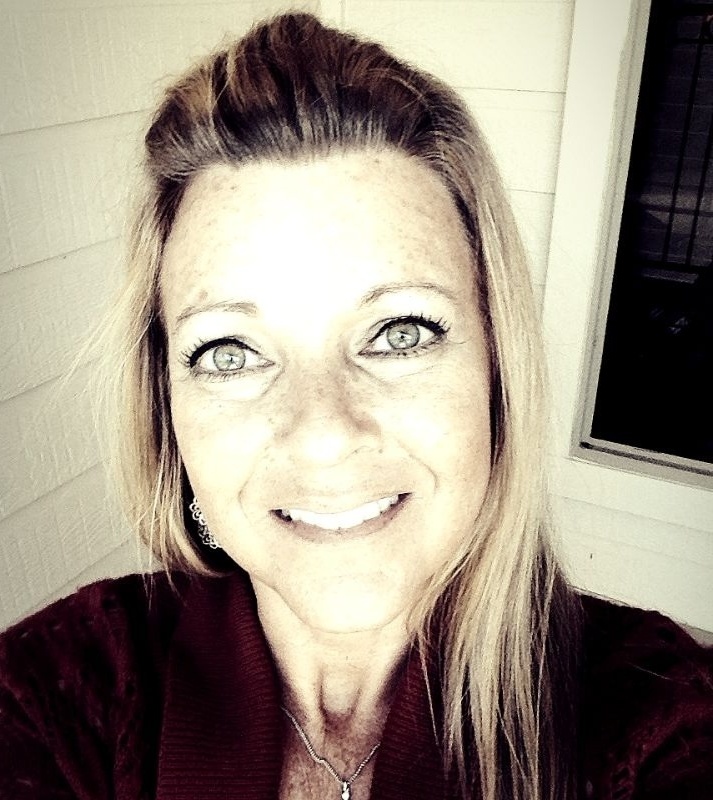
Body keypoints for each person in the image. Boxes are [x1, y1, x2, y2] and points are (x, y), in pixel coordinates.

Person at [1, 12, 711, 800]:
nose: (322, 434)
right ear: (167, 408)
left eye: (400, 333)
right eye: (229, 351)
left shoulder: (660, 715)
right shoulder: (54, 696)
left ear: (495, 368)